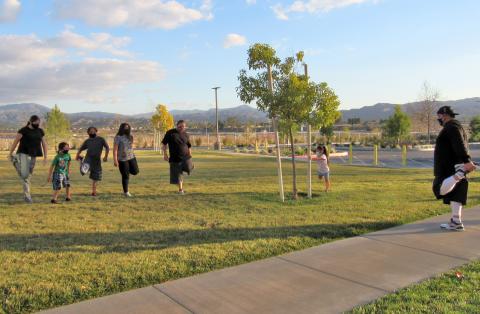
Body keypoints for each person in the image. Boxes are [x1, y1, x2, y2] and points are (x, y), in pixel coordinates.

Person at [433, 106, 476, 231]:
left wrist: (466, 161)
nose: (438, 119)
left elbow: (459, 144)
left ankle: (460, 174)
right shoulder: (456, 126)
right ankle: (456, 222)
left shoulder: (451, 127)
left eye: (439, 116)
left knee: (439, 189)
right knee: (456, 194)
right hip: (455, 163)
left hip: (449, 166)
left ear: (444, 115)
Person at [8, 115, 48, 203]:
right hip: (23, 154)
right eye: (36, 123)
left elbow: (44, 144)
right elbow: (15, 142)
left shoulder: (40, 131)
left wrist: (45, 156)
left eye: (38, 123)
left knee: (28, 176)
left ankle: (15, 161)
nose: (37, 124)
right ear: (30, 122)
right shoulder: (23, 130)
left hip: (33, 155)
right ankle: (27, 196)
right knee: (26, 176)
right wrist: (10, 153)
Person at [162, 120, 194, 194]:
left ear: (185, 127)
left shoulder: (186, 134)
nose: (181, 128)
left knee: (190, 168)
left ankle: (181, 185)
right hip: (175, 159)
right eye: (180, 126)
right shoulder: (170, 133)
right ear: (177, 125)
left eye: (183, 126)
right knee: (178, 175)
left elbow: (189, 146)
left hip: (186, 157)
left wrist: (190, 154)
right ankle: (181, 189)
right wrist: (165, 154)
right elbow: (164, 144)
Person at [76, 126, 110, 196]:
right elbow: (80, 149)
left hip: (97, 161)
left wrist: (106, 156)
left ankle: (94, 192)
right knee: (83, 171)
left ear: (96, 131)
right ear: (88, 133)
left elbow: (107, 147)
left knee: (96, 177)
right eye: (90, 131)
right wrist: (77, 155)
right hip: (88, 159)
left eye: (93, 131)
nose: (92, 132)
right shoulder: (87, 141)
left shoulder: (101, 139)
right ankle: (81, 160)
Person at [113, 123, 139, 197]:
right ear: (121, 128)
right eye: (125, 128)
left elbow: (131, 146)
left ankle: (126, 172)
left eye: (128, 128)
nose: (126, 129)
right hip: (122, 159)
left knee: (135, 171)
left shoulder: (130, 136)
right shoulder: (118, 137)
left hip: (131, 157)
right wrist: (115, 160)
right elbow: (115, 149)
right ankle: (126, 192)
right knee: (125, 176)